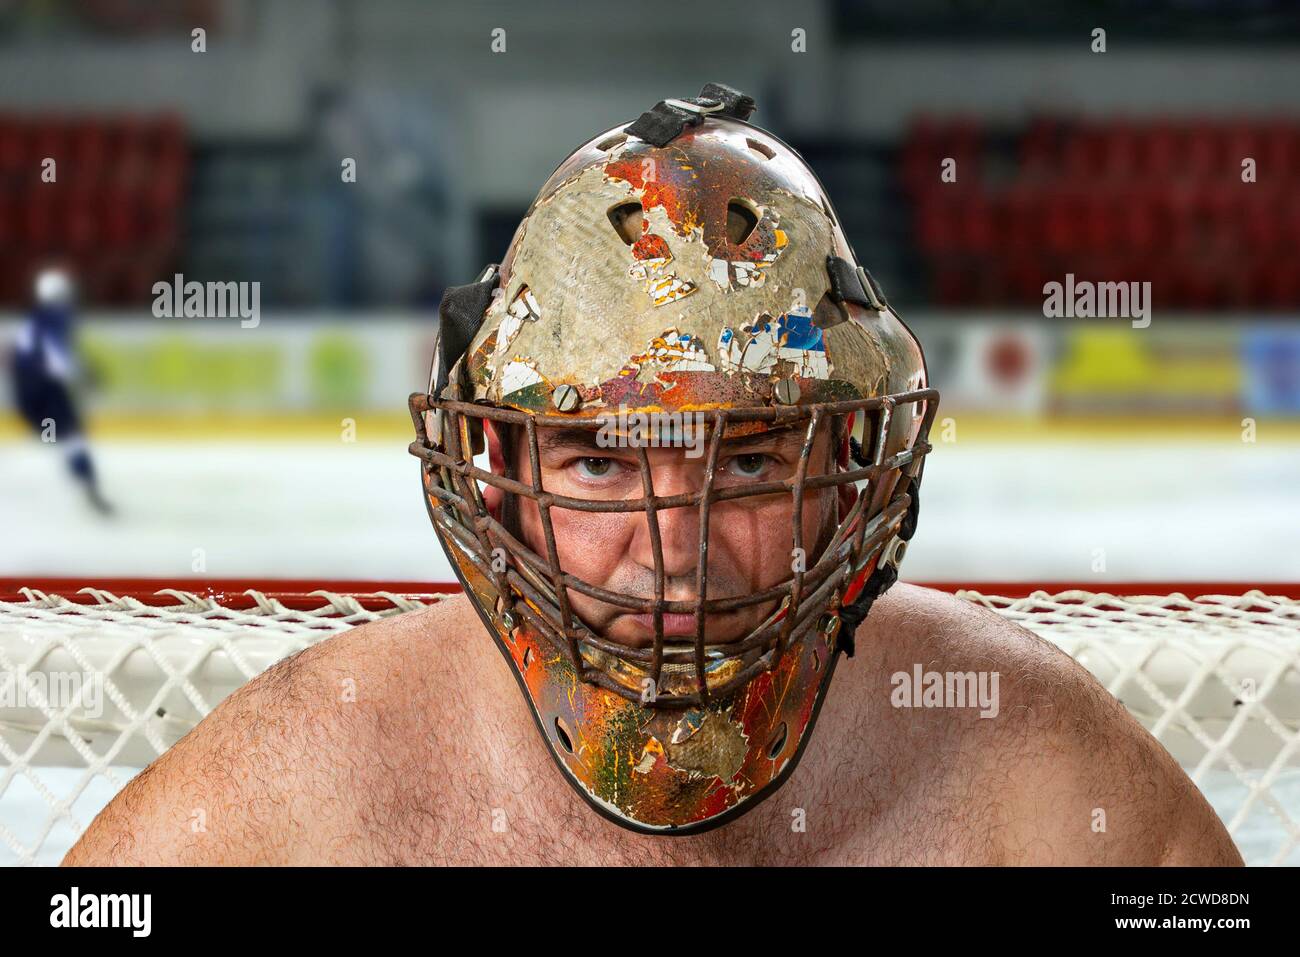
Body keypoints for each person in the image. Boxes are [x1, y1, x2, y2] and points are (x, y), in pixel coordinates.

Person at [64, 85, 1240, 866]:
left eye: (751, 457)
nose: (671, 546)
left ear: (844, 469)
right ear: (505, 477)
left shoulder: (1031, 769)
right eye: (597, 458)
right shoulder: (304, 778)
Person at [9, 265, 112, 515]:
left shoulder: (33, 319)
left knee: (63, 437)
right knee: (72, 437)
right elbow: (57, 358)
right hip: (46, 388)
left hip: (26, 394)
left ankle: (82, 477)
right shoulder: (58, 317)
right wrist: (85, 374)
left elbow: (22, 357)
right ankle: (88, 484)